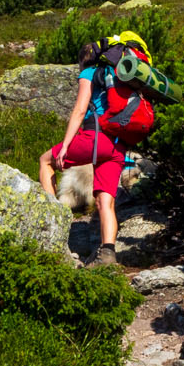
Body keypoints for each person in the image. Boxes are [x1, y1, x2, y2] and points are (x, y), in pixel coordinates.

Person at [41, 30, 156, 264]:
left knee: (45, 161)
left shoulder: (90, 72)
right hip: (118, 146)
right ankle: (107, 254)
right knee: (106, 201)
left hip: (95, 138)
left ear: (84, 60)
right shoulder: (118, 76)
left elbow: (80, 110)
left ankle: (49, 223)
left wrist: (65, 146)